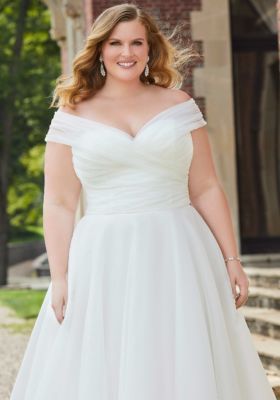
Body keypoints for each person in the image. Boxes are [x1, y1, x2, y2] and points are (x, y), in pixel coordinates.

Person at [10, 3, 277, 399]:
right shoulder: (72, 113)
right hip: (103, 257)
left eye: (137, 42)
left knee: (184, 354)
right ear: (99, 49)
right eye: (115, 43)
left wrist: (231, 259)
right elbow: (60, 203)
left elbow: (205, 187)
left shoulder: (179, 105)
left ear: (150, 48)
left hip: (180, 252)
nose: (127, 52)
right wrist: (62, 276)